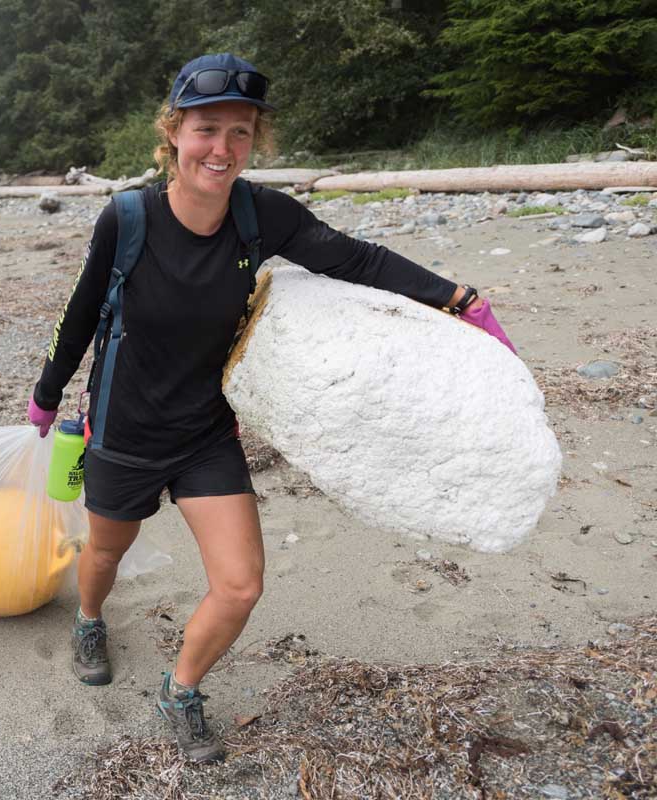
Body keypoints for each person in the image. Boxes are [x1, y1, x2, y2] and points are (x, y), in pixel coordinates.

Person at [26, 53, 515, 763]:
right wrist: (46, 399)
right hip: (124, 429)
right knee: (104, 551)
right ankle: (91, 618)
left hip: (204, 433)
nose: (221, 149)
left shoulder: (263, 215)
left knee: (241, 584)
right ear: (173, 133)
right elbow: (77, 316)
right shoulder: (127, 217)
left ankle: (182, 689)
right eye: (206, 130)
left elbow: (358, 260)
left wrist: (460, 299)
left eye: (240, 133)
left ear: (255, 143)